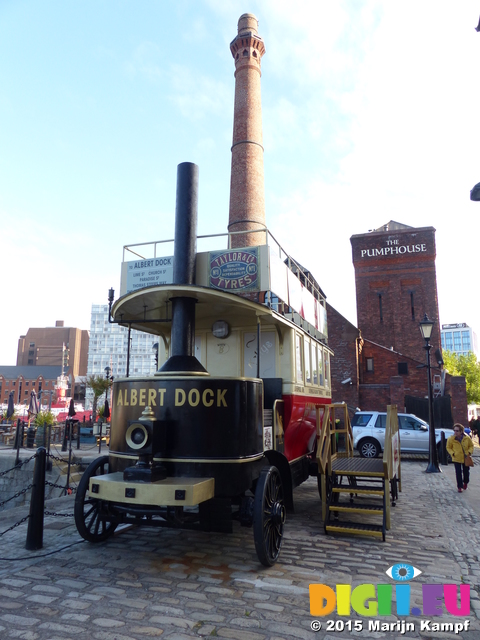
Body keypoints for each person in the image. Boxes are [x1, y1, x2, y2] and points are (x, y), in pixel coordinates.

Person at [446, 423, 474, 493]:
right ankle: (460, 486)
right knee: (458, 472)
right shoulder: (451, 439)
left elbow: (471, 445)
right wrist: (452, 453)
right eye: (454, 430)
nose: (455, 432)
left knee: (466, 472)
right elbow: (448, 447)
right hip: (456, 457)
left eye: (457, 431)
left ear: (461, 431)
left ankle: (465, 482)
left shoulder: (467, 438)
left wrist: (469, 452)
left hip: (465, 457)